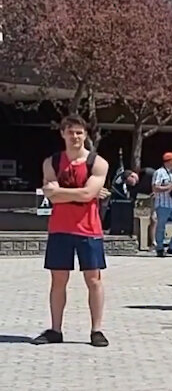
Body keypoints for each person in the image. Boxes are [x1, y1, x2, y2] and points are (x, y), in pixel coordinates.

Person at [33, 115, 110, 347]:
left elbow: (77, 194)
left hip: (89, 229)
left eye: (78, 132)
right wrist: (83, 193)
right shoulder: (51, 162)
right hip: (59, 229)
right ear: (62, 134)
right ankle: (55, 329)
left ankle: (96, 330)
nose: (74, 136)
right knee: (58, 280)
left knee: (94, 280)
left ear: (85, 134)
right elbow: (51, 195)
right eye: (70, 132)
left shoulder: (98, 163)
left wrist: (62, 193)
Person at [150, 151, 172, 257]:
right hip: (163, 204)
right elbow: (155, 188)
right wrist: (168, 187)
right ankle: (160, 248)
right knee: (161, 226)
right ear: (169, 161)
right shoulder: (159, 173)